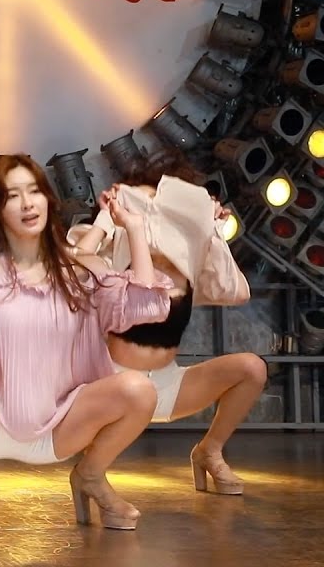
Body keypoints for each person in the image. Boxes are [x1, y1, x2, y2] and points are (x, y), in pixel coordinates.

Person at [0, 154, 171, 533]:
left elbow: (147, 306)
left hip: (62, 427)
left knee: (140, 389)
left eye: (34, 192)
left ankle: (91, 475)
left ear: (49, 199)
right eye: (12, 195)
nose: (27, 204)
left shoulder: (81, 266)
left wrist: (134, 228)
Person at [69, 167, 263, 495]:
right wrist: (106, 220)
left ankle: (209, 451)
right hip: (112, 384)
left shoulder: (189, 268)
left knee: (252, 368)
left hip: (167, 387)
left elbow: (237, 291)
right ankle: (91, 470)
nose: (150, 214)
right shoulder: (114, 258)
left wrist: (211, 231)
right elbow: (73, 267)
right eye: (143, 205)